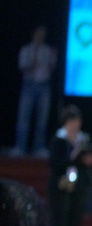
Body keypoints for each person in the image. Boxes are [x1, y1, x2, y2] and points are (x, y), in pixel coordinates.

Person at [47, 105, 92, 226]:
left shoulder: (84, 140)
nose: (74, 124)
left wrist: (88, 162)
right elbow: (55, 163)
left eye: (77, 121)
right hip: (61, 188)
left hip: (78, 188)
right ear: (65, 122)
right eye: (71, 121)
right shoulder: (58, 140)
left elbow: (91, 162)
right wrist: (73, 159)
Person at [13, 26, 57, 157]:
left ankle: (39, 147)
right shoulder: (26, 49)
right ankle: (20, 147)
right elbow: (22, 67)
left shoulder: (48, 50)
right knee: (23, 118)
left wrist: (53, 57)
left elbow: (52, 68)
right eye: (39, 33)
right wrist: (33, 63)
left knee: (42, 119)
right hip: (29, 85)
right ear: (34, 34)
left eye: (43, 34)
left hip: (44, 86)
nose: (41, 36)